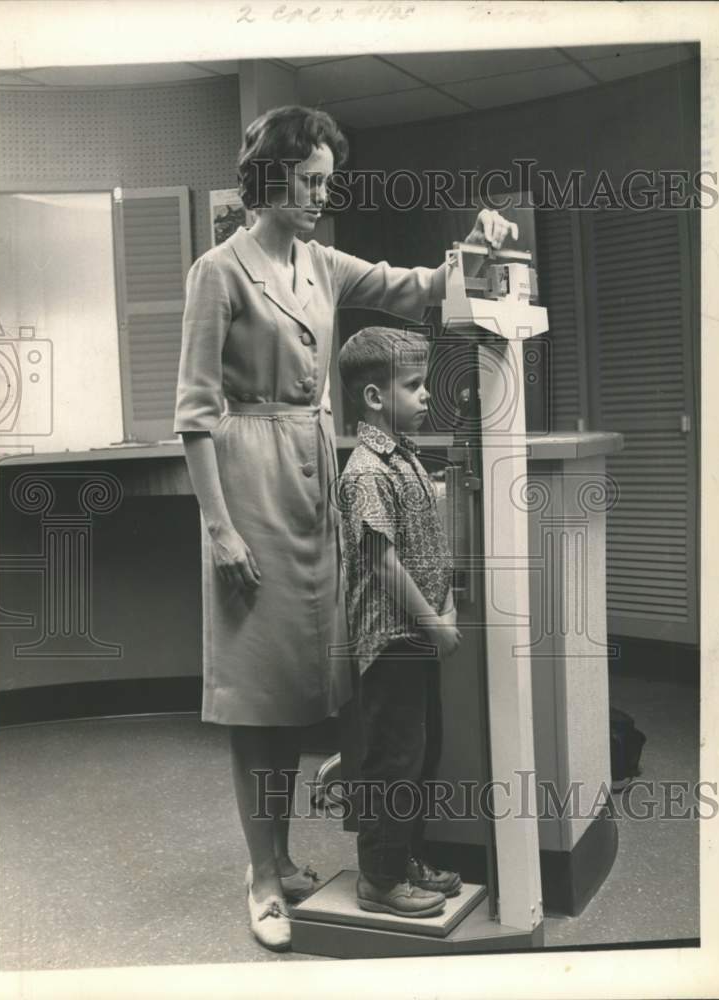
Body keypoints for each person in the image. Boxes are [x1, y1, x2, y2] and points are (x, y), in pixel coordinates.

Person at [173, 103, 513, 951]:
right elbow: (193, 415)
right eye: (312, 181)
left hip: (313, 476)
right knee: (259, 699)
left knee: (300, 684)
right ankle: (263, 873)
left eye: (329, 181)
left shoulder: (320, 263)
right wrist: (220, 530)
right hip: (248, 485)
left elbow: (411, 284)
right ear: (270, 179)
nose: (324, 196)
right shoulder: (216, 271)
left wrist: (478, 244)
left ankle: (284, 858)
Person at [337, 326, 462, 918]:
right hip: (391, 642)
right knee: (392, 761)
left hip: (417, 633)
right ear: (374, 398)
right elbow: (380, 563)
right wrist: (433, 624)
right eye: (413, 386)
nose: (425, 396)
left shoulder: (404, 457)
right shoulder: (366, 470)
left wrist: (445, 608)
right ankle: (380, 879)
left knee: (420, 753)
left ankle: (405, 859)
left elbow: (425, 546)